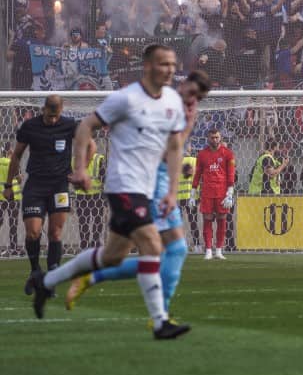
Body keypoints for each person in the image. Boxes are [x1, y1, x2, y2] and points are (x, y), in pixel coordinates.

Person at [30, 44, 191, 339]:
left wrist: (171, 192)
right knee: (152, 244)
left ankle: (46, 281)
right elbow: (85, 127)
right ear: (147, 66)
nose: (169, 69)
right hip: (123, 186)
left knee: (112, 256)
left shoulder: (172, 101)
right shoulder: (125, 98)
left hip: (146, 190)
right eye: (162, 63)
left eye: (172, 64)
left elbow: (175, 146)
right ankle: (160, 322)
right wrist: (81, 169)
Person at [65, 73, 211, 314]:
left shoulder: (182, 110)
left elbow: (172, 150)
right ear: (183, 86)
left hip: (159, 182)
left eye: (199, 98)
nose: (193, 101)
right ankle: (160, 315)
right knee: (168, 251)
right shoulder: (164, 106)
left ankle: (91, 278)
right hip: (149, 183)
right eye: (192, 94)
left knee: (151, 255)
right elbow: (160, 150)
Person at [4, 96, 85, 289]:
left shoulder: (69, 125)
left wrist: (80, 170)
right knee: (33, 232)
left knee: (55, 233)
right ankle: (35, 271)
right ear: (44, 110)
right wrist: (8, 184)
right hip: (35, 185)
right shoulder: (30, 126)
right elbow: (17, 155)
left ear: (61, 110)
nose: (53, 120)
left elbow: (89, 144)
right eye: (49, 116)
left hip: (59, 186)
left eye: (56, 116)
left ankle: (52, 278)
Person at [193, 127, 235, 261]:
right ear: (208, 138)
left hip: (222, 192)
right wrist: (193, 191)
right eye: (212, 138)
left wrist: (230, 192)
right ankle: (208, 250)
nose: (215, 140)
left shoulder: (228, 153)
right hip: (207, 192)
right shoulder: (202, 154)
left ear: (220, 137)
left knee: (222, 219)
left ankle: (219, 250)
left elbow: (231, 173)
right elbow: (197, 173)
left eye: (217, 137)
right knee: (207, 220)